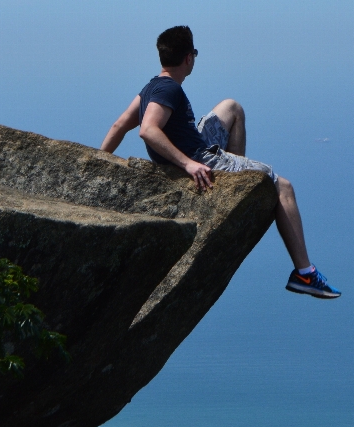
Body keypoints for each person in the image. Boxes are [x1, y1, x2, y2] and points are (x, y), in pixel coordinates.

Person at [101, 25, 340, 299]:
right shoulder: (170, 90)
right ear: (189, 57)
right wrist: (189, 164)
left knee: (232, 108)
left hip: (196, 144)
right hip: (198, 157)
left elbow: (120, 124)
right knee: (281, 185)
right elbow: (148, 129)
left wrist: (98, 161)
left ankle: (238, 181)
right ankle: (304, 273)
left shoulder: (151, 87)